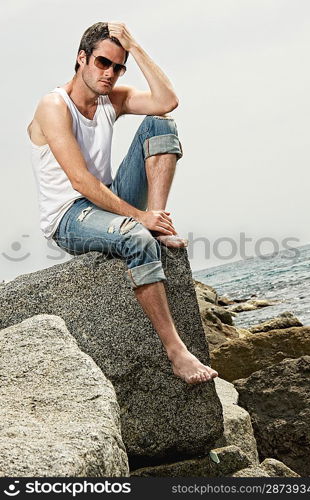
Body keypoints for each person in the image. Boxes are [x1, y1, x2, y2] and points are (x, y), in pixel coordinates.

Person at [27, 21, 218, 384]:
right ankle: (176, 351)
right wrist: (138, 218)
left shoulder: (109, 99)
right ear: (81, 59)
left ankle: (159, 223)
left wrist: (135, 46)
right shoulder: (54, 106)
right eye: (102, 63)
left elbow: (167, 101)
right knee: (135, 236)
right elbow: (80, 180)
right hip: (70, 217)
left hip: (107, 201)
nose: (110, 73)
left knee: (161, 124)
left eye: (118, 66)